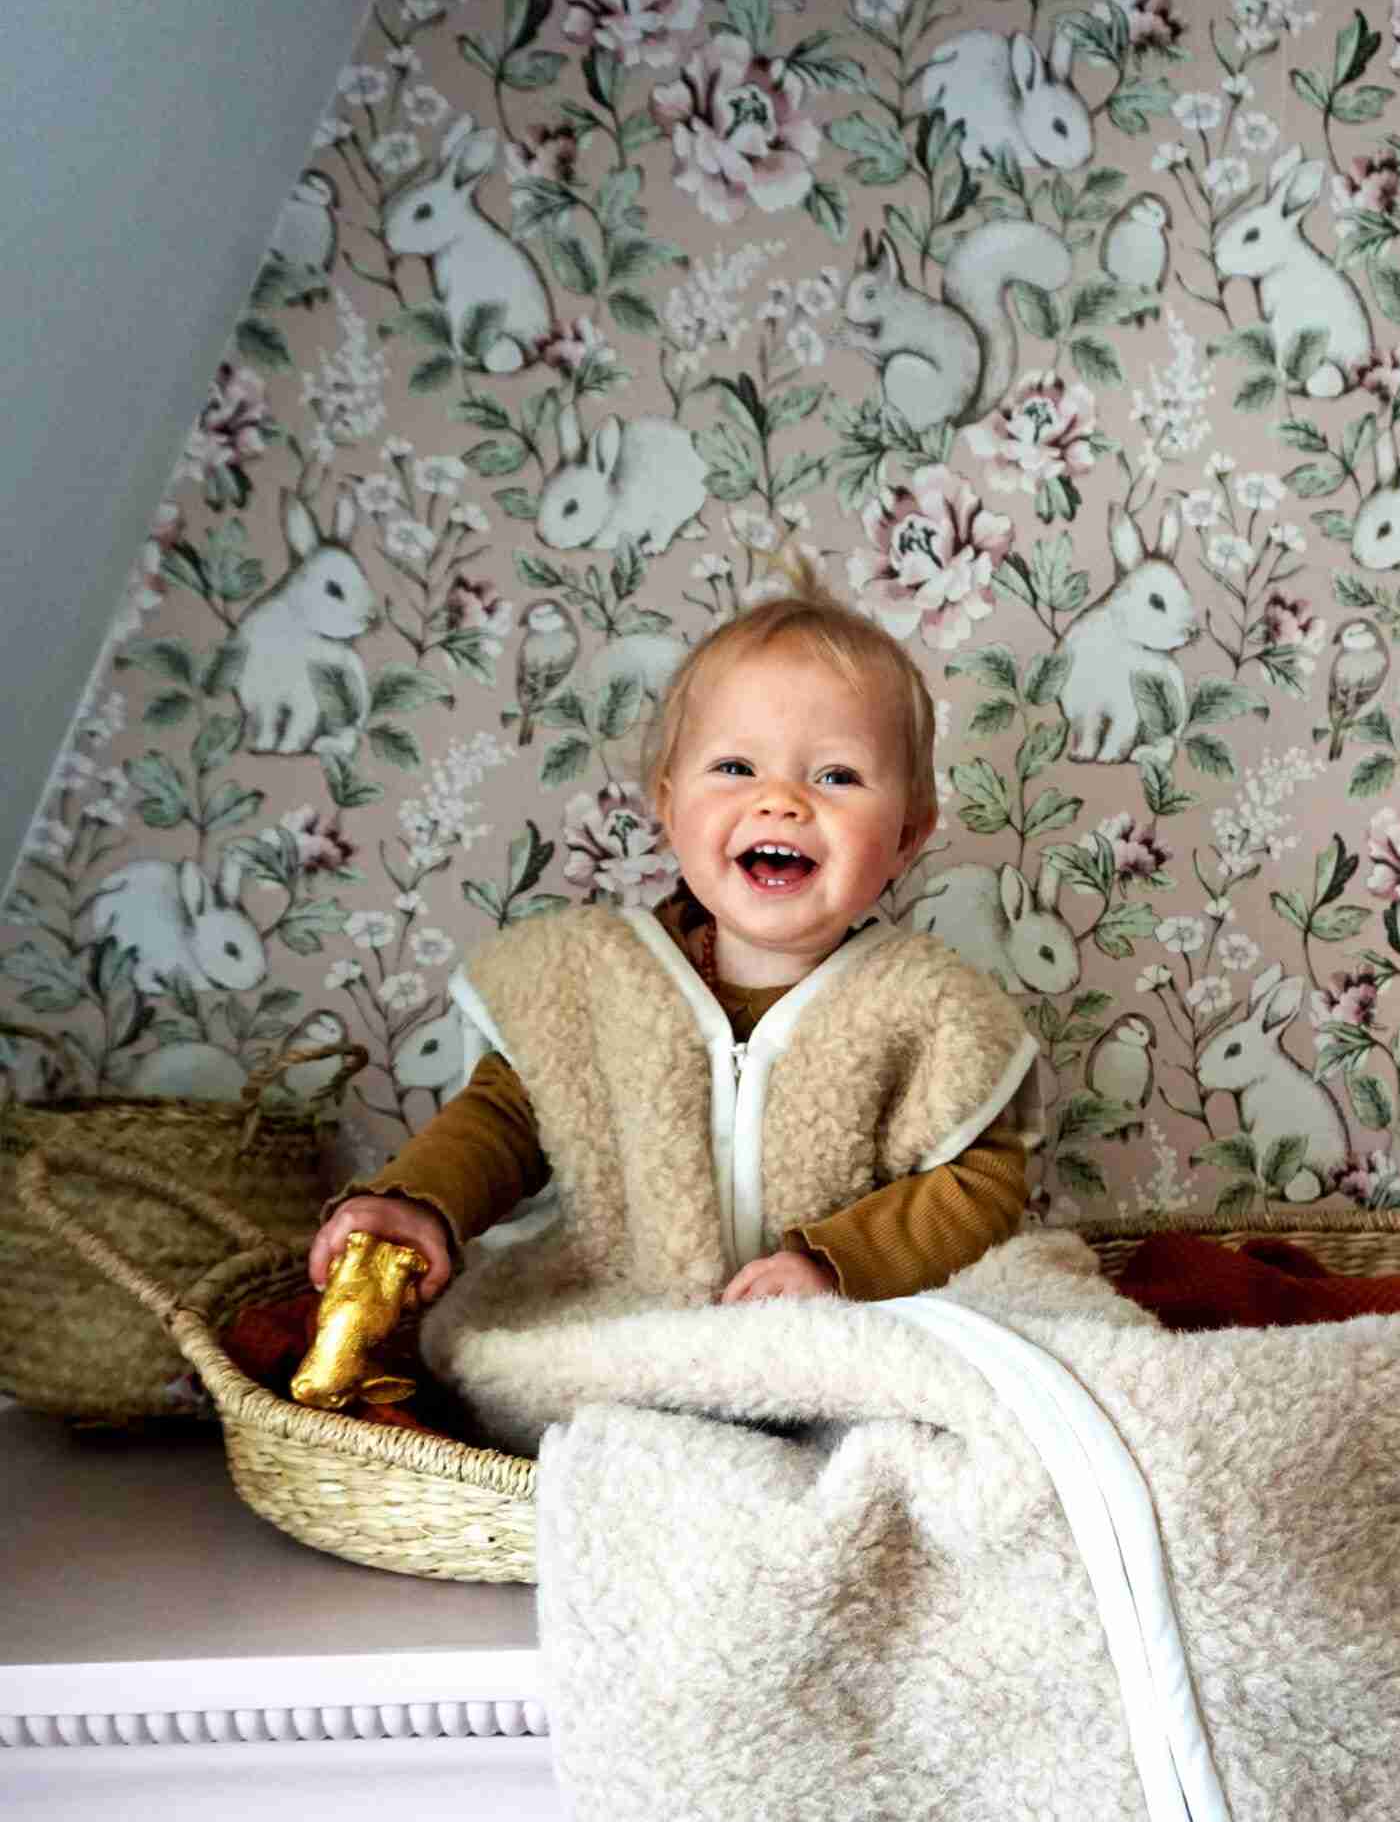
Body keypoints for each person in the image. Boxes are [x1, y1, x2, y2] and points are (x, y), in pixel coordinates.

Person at [308, 564, 1041, 1330]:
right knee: (496, 1355)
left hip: (839, 1330)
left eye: (836, 776)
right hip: (618, 1319)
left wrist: (837, 1266)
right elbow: (502, 1120)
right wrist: (417, 1203)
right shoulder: (587, 982)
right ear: (668, 804)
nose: (781, 801)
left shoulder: (928, 1008)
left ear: (906, 837)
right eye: (735, 768)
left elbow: (980, 1183)